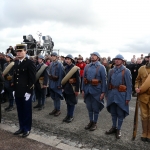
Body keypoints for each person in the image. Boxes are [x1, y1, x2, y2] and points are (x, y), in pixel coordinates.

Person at [11, 44, 36, 137]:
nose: (18, 53)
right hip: (18, 91)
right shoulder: (16, 63)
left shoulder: (30, 63)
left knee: (26, 111)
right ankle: (21, 127)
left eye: (21, 51)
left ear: (25, 51)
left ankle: (27, 129)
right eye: (17, 51)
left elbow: (32, 79)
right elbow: (15, 77)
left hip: (26, 92)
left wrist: (29, 92)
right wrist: (14, 90)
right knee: (20, 110)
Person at [105, 54, 132, 139]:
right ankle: (113, 127)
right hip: (112, 94)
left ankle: (119, 129)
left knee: (120, 113)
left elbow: (129, 85)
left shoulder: (126, 71)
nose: (117, 60)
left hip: (121, 95)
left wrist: (128, 97)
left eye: (119, 59)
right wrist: (107, 94)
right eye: (116, 59)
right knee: (113, 112)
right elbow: (108, 83)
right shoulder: (111, 71)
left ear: (122, 61)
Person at [82, 52, 107, 131]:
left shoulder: (101, 67)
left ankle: (95, 123)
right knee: (89, 107)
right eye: (91, 55)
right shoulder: (87, 66)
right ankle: (91, 121)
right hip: (87, 89)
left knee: (95, 108)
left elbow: (104, 80)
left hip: (97, 91)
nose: (92, 57)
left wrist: (103, 92)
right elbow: (83, 79)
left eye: (94, 56)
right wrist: (82, 89)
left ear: (98, 57)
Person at [135, 53, 150, 142]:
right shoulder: (141, 69)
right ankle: (144, 132)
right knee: (144, 116)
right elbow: (137, 80)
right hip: (143, 96)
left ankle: (149, 133)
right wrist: (136, 88)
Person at [62, 54, 80, 123]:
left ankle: (71, 116)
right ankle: (68, 115)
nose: (67, 60)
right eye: (66, 59)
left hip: (72, 87)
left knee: (72, 103)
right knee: (68, 102)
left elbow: (78, 80)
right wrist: (63, 87)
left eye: (68, 59)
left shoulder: (75, 68)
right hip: (66, 88)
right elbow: (64, 79)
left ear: (71, 60)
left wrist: (77, 90)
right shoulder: (65, 68)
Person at [49, 52, 65, 116]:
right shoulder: (51, 63)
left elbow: (61, 75)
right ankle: (55, 108)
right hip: (52, 82)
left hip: (57, 83)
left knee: (57, 97)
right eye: (52, 56)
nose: (52, 57)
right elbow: (49, 74)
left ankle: (58, 110)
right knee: (53, 97)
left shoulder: (59, 64)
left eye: (54, 56)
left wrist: (60, 85)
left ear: (56, 57)